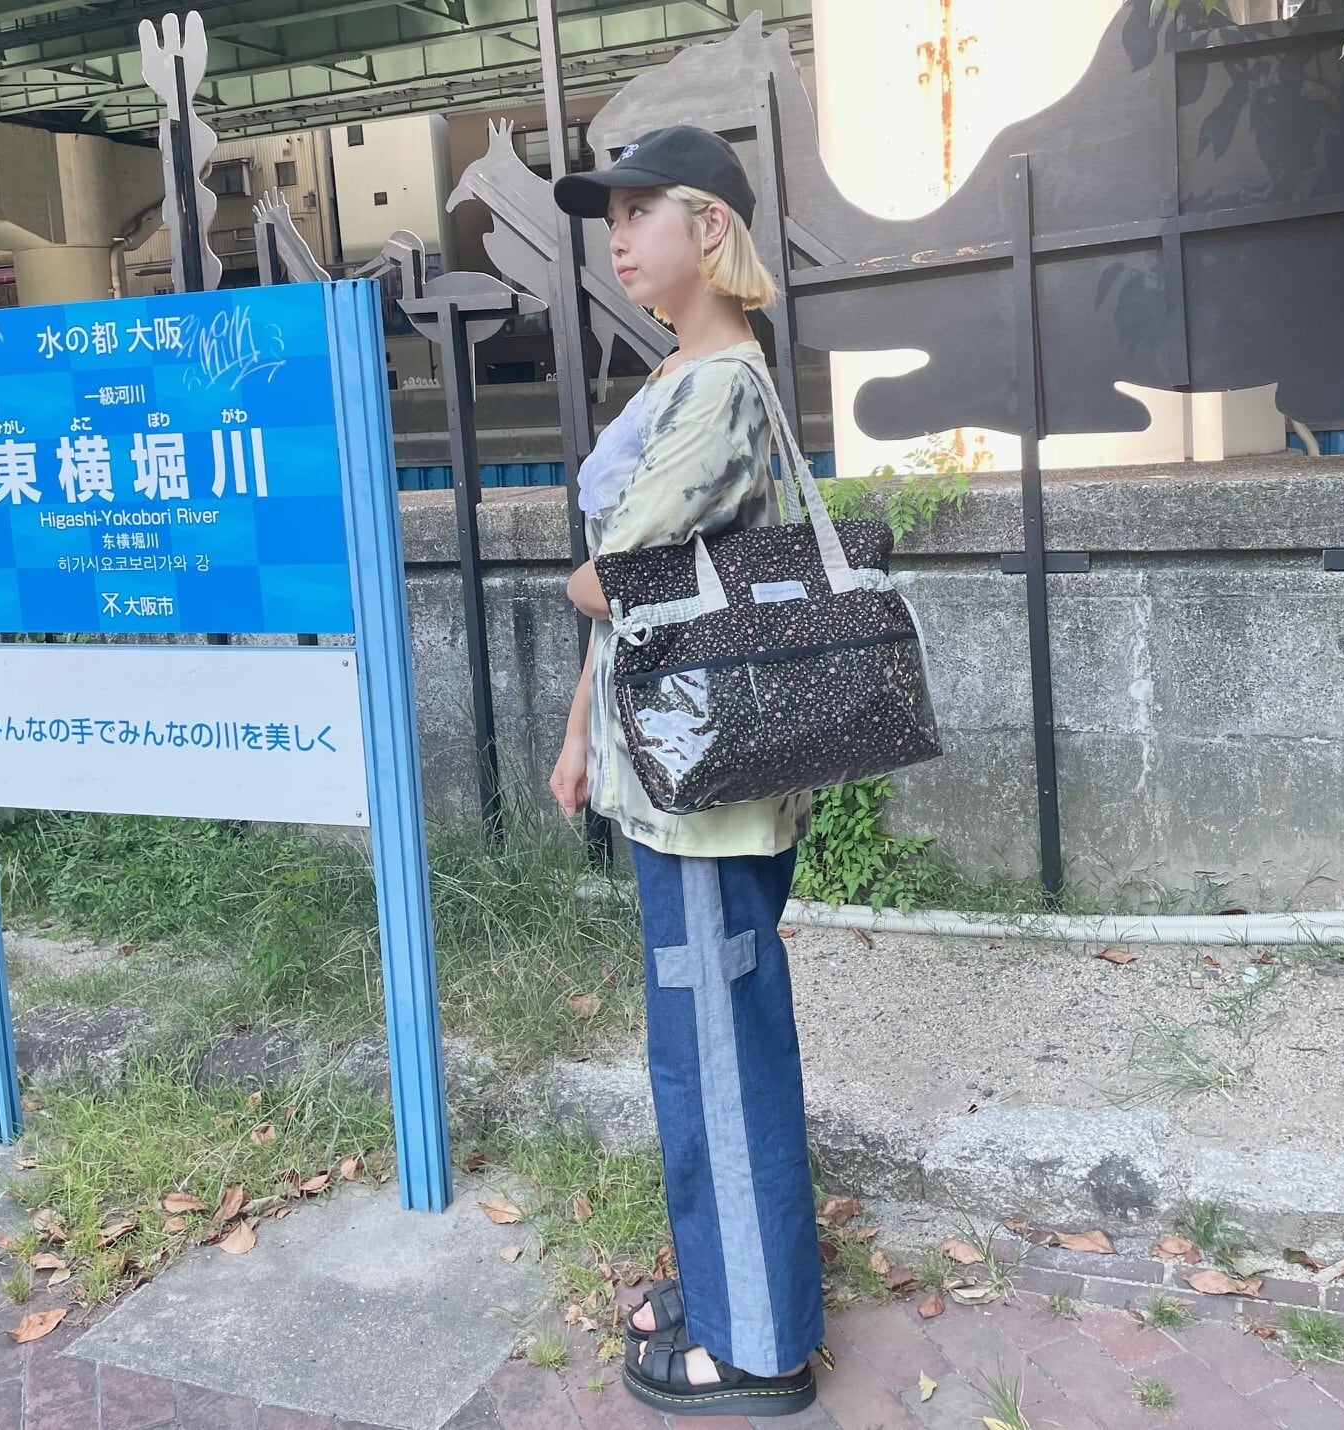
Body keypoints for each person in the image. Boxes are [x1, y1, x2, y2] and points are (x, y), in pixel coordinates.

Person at [547, 126, 828, 1418]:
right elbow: (633, 601)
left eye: (637, 213)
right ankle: (722, 1287)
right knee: (698, 1051)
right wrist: (574, 735)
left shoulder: (721, 388)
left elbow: (614, 579)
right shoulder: (679, 375)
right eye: (608, 219)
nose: (615, 238)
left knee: (719, 1058)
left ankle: (758, 1349)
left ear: (709, 227)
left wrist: (583, 580)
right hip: (673, 781)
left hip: (706, 794)